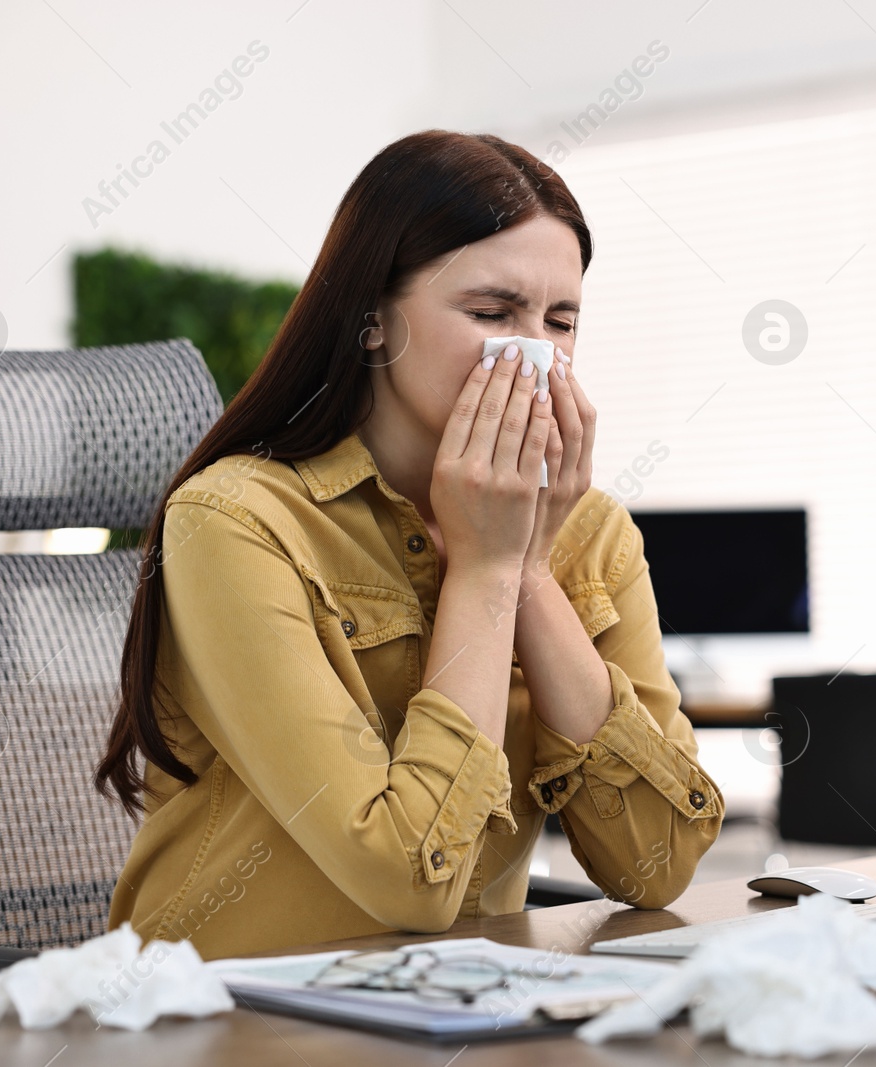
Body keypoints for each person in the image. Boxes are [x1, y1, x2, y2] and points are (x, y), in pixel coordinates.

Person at [95, 130, 724, 958]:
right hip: (229, 1024)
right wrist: (490, 568)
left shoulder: (591, 533)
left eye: (561, 321)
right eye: (491, 313)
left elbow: (660, 864)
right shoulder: (237, 523)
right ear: (372, 325)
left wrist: (529, 566)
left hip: (456, 1017)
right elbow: (410, 879)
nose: (534, 354)